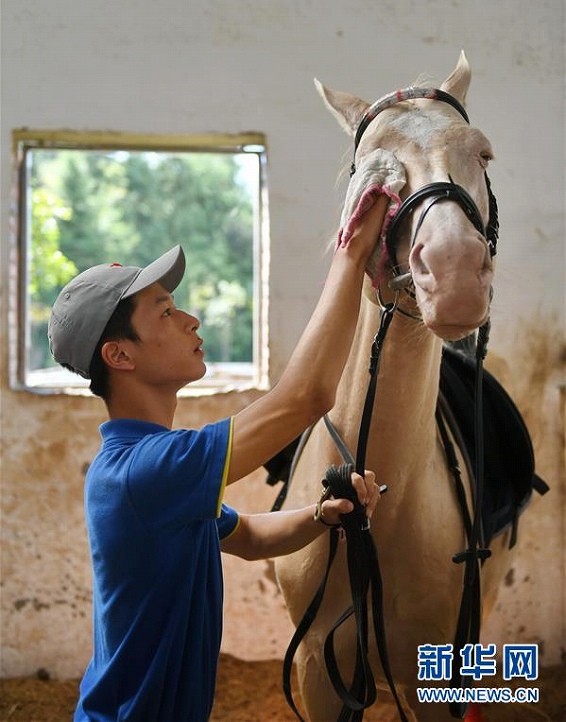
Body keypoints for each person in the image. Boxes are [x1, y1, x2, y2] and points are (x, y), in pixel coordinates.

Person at [48, 195, 388, 722]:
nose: (191, 319)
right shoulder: (147, 471)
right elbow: (306, 397)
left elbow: (249, 537)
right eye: (166, 312)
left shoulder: (148, 471)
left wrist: (321, 516)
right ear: (120, 355)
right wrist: (352, 253)